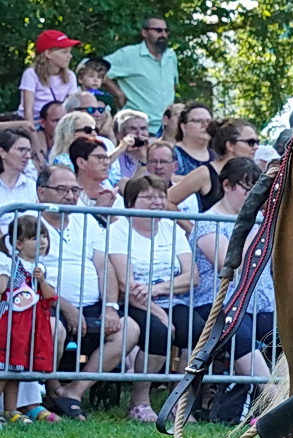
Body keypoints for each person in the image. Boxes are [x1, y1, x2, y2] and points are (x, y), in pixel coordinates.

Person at [35, 165, 137, 419]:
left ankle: (74, 391)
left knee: (129, 329)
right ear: (41, 192)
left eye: (74, 190)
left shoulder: (85, 219)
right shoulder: (29, 223)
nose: (70, 196)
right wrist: (66, 307)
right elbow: (31, 274)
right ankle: (52, 389)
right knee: (53, 328)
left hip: (91, 304)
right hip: (48, 302)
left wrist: (110, 307)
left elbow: (104, 266)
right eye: (62, 190)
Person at [176, 159, 273, 422]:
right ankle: (274, 401)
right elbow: (229, 264)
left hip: (261, 304)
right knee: (239, 335)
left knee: (288, 335)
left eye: (257, 191)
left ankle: (286, 399)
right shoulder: (208, 222)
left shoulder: (261, 221)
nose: (253, 196)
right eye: (247, 189)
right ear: (227, 185)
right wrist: (257, 228)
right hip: (218, 304)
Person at [104, 174, 196, 421]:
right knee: (159, 332)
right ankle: (139, 402)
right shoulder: (118, 230)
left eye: (161, 196)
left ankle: (179, 400)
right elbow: (126, 282)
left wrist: (158, 290)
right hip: (132, 301)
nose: (156, 202)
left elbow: (192, 276)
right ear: (131, 202)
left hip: (167, 296)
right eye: (148, 197)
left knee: (197, 329)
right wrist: (159, 313)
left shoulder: (172, 227)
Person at [0, 215, 65, 424]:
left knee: (17, 368)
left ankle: (11, 410)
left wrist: (41, 280)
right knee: (4, 368)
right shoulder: (8, 264)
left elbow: (50, 297)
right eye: (34, 237)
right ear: (18, 244)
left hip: (31, 326)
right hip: (10, 324)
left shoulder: (42, 269)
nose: (42, 241)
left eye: (44, 236)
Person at [169, 117, 256, 211]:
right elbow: (168, 200)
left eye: (257, 142)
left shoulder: (255, 174)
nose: (256, 147)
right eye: (250, 142)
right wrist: (192, 226)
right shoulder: (205, 173)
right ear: (230, 145)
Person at [103, 17, 179, 123]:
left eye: (166, 31)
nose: (163, 35)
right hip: (136, 127)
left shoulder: (171, 56)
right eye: (158, 30)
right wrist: (117, 93)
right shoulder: (129, 55)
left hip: (164, 127)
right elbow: (95, 69)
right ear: (144, 32)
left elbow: (173, 86)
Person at [19, 29, 80, 122]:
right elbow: (28, 112)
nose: (70, 56)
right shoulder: (31, 74)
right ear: (48, 54)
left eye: (70, 52)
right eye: (64, 52)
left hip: (58, 121)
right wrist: (32, 133)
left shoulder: (70, 76)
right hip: (35, 122)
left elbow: (72, 107)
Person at [68, 137, 118, 212]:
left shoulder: (112, 196)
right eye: (100, 157)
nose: (107, 163)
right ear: (81, 163)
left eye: (107, 157)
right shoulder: (69, 195)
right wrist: (98, 212)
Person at [0, 129, 35, 230]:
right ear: (2, 152)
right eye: (22, 149)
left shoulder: (32, 187)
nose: (28, 156)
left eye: (29, 151)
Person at [171, 102, 214, 176]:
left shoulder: (218, 156)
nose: (205, 125)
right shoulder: (172, 154)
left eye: (208, 121)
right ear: (183, 127)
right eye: (198, 121)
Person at [110, 109, 152, 180]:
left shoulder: (154, 156)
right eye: (132, 129)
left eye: (143, 128)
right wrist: (122, 147)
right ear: (119, 135)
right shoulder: (115, 158)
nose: (139, 133)